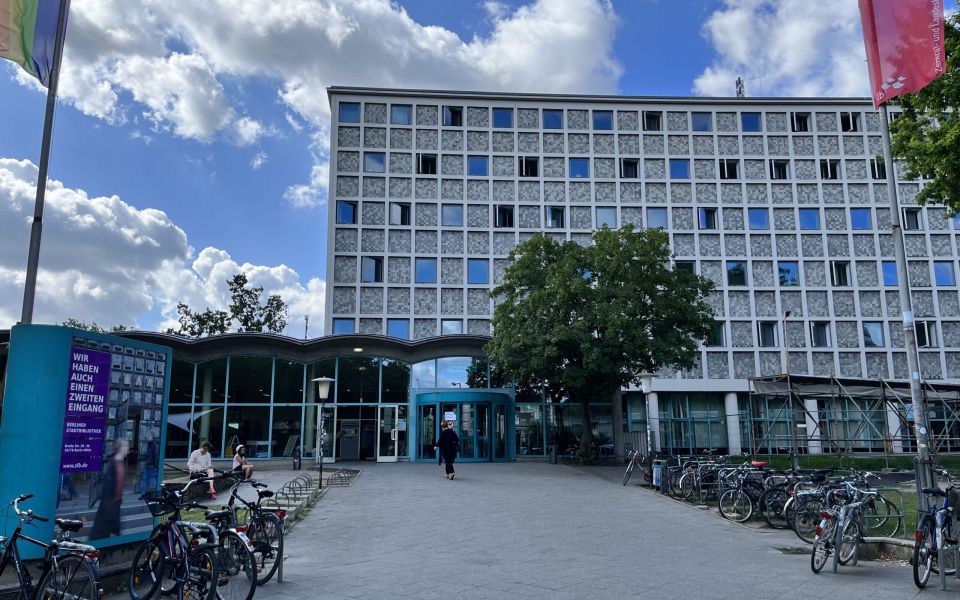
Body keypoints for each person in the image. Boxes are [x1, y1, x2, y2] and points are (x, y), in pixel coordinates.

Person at [90, 439, 128, 539]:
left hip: (116, 502)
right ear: (119, 448)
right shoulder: (113, 462)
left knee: (113, 529)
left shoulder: (121, 462)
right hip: (109, 503)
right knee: (102, 530)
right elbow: (107, 485)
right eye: (125, 446)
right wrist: (109, 502)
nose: (127, 449)